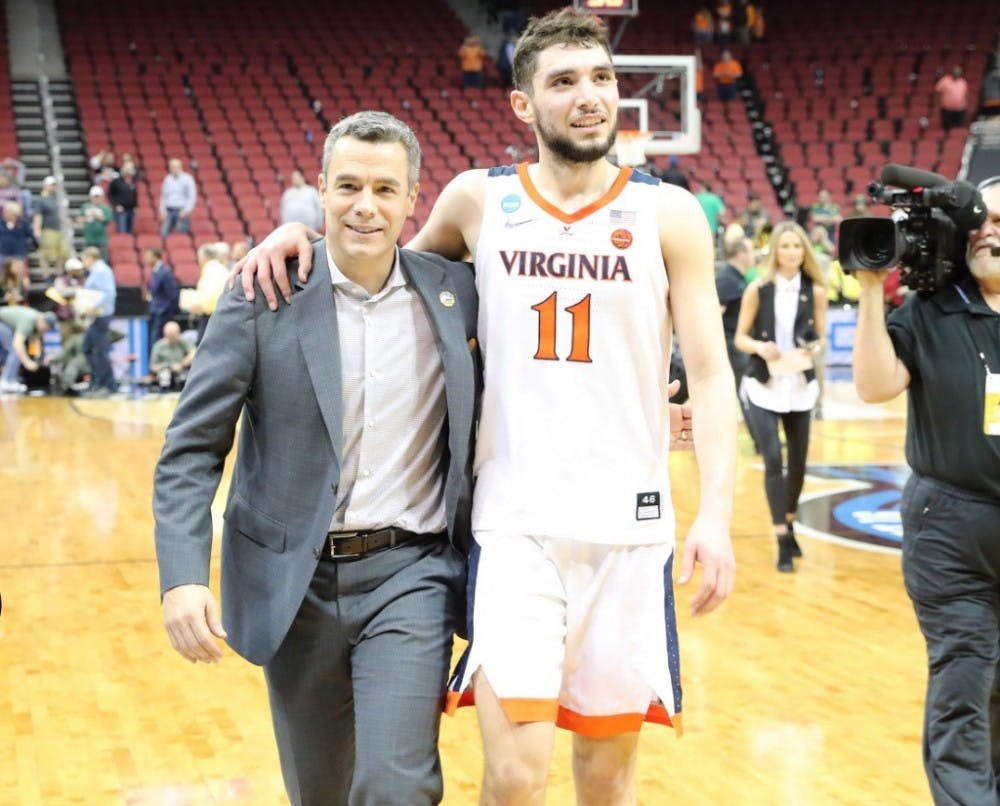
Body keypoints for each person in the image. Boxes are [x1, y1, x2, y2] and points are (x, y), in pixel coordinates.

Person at [237, 9, 736, 802]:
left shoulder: (668, 214)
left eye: (602, 78)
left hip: (629, 530)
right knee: (512, 774)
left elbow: (709, 374)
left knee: (605, 778)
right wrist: (299, 234)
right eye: (564, 81)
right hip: (514, 527)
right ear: (522, 104)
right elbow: (379, 273)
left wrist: (716, 514)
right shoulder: (479, 200)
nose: (588, 96)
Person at [153, 111, 479, 806]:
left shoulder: (458, 295)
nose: (366, 206)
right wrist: (182, 577)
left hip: (412, 573)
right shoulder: (263, 292)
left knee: (395, 786)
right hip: (294, 581)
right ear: (322, 191)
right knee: (321, 791)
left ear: (412, 198)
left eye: (385, 190)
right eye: (350, 186)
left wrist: (652, 404)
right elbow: (192, 448)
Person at [853, 176, 1000, 804]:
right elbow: (875, 385)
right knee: (965, 676)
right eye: (981, 221)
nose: (989, 232)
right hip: (952, 527)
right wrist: (869, 291)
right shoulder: (930, 311)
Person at [734, 220, 827, 572]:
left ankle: (789, 521)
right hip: (763, 385)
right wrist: (760, 347)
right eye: (785, 246)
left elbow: (821, 337)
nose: (791, 252)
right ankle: (781, 540)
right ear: (775, 251)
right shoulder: (758, 289)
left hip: (799, 384)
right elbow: (741, 337)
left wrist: (814, 347)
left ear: (805, 251)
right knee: (773, 459)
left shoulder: (815, 291)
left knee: (799, 462)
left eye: (797, 246)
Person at [79, 246, 118, 396]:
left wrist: (93, 306)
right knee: (87, 348)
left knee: (100, 351)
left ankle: (107, 384)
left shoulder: (102, 271)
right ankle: (101, 381)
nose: (83, 262)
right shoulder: (96, 271)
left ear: (90, 258)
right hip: (95, 317)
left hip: (101, 316)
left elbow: (109, 292)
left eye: (83, 259)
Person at [0, 307, 56, 394]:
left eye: (47, 329)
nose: (45, 330)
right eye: (45, 327)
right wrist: (27, 362)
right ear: (41, 321)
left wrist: (38, 358)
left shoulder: (37, 322)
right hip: (2, 323)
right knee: (16, 351)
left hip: (7, 325)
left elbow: (34, 340)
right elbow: (17, 344)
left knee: (11, 353)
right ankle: (6, 381)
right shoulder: (29, 320)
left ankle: (10, 380)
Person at [145, 248, 180, 348]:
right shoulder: (155, 271)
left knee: (157, 338)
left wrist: (168, 309)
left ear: (155, 257)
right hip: (155, 310)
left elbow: (172, 293)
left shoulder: (165, 272)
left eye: (148, 257)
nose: (146, 259)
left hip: (163, 311)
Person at [33, 176, 67, 277]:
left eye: (54, 185)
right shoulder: (41, 200)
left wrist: (67, 222)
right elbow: (38, 216)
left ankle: (58, 275)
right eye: (52, 185)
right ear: (45, 185)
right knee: (45, 255)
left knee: (62, 253)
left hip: (57, 230)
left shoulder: (53, 199)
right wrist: (37, 230)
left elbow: (57, 215)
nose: (54, 187)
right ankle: (46, 276)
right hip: (47, 230)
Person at [148, 320, 195, 390]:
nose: (173, 337)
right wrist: (168, 366)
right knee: (165, 375)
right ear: (165, 334)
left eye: (174, 335)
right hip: (165, 373)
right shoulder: (158, 346)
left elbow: (193, 353)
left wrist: (182, 364)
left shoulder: (182, 342)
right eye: (170, 335)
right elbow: (153, 367)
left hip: (182, 370)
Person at [159, 158, 197, 236]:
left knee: (180, 235)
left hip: (181, 211)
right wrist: (162, 210)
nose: (174, 169)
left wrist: (187, 210)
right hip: (169, 211)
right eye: (172, 167)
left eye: (176, 167)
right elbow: (164, 196)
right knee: (163, 234)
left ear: (181, 167)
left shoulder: (188, 179)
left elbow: (192, 196)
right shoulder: (167, 179)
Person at [934, 65, 969, 131]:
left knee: (958, 128)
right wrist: (937, 103)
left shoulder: (963, 82)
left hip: (960, 109)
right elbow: (937, 92)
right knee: (946, 127)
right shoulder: (944, 80)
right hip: (947, 109)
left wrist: (966, 105)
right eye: (956, 72)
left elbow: (965, 94)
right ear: (952, 72)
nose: (957, 74)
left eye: (958, 73)